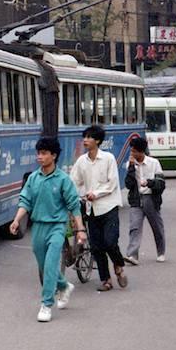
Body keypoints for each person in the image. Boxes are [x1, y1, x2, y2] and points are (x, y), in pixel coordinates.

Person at [9, 137, 85, 323]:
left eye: (44, 153)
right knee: (44, 266)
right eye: (39, 153)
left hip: (58, 226)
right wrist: (17, 220)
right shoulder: (33, 178)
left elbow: (74, 206)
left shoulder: (63, 180)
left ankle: (46, 304)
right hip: (38, 226)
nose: (40, 157)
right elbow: (25, 201)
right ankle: (64, 286)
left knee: (51, 264)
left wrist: (80, 229)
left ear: (54, 155)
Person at [69, 125, 127, 292]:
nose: (85, 140)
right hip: (91, 209)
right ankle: (106, 280)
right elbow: (74, 181)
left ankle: (118, 265)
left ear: (98, 141)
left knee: (110, 242)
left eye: (89, 137)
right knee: (96, 247)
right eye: (84, 137)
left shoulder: (108, 159)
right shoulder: (81, 161)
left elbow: (112, 183)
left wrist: (96, 193)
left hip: (109, 206)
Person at [123, 137, 166, 264]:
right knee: (134, 227)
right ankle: (132, 255)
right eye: (131, 151)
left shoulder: (154, 163)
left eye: (134, 152)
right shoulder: (130, 164)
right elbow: (128, 184)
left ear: (141, 152)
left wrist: (149, 183)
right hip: (136, 199)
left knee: (156, 226)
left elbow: (161, 183)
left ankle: (161, 252)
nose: (132, 154)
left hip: (151, 198)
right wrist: (131, 167)